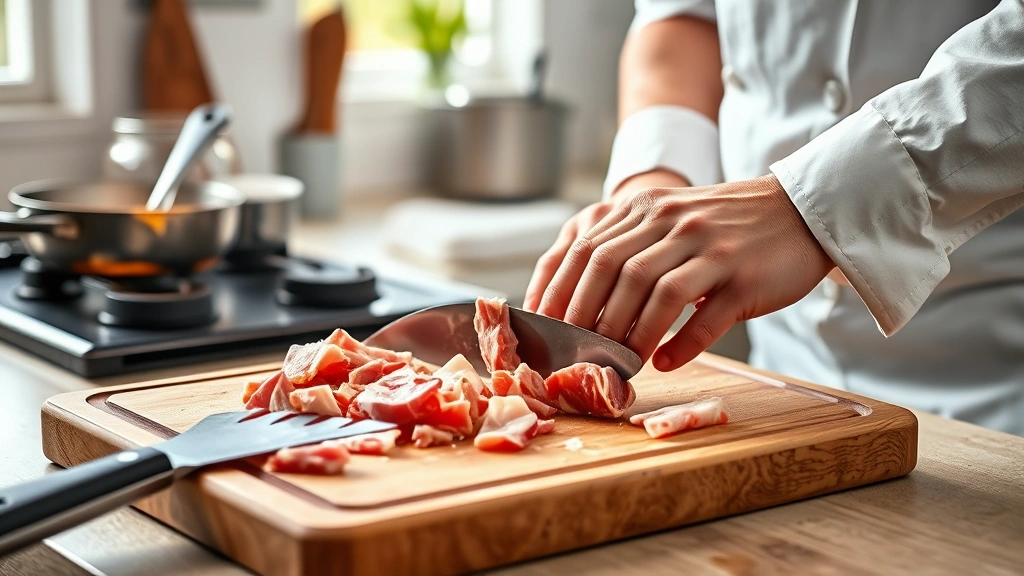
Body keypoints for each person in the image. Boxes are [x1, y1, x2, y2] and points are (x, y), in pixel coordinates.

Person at [524, 0, 1024, 435]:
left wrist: (810, 208)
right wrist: (652, 185)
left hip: (1000, 396)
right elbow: (682, 19)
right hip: (786, 391)